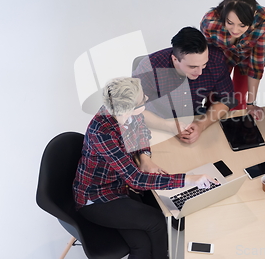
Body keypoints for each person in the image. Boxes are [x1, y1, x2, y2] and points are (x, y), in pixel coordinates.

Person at [73, 77, 216, 259]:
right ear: (128, 108)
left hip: (120, 186)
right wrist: (189, 179)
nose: (147, 98)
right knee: (157, 222)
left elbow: (141, 133)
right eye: (143, 99)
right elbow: (136, 180)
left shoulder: (127, 114)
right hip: (97, 197)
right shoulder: (102, 133)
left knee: (141, 245)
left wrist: (144, 157)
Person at [132, 27, 236, 144]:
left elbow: (227, 100)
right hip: (158, 123)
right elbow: (134, 109)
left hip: (195, 118)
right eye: (192, 67)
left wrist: (202, 124)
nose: (200, 72)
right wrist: (169, 126)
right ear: (175, 59)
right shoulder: (148, 67)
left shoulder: (216, 59)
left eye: (204, 64)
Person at [201, 0, 265, 119]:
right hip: (220, 58)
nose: (235, 30)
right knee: (216, 98)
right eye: (230, 23)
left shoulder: (264, 18)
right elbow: (209, 61)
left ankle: (237, 129)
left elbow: (257, 62)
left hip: (248, 58)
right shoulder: (210, 22)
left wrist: (251, 103)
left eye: (242, 25)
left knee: (239, 98)